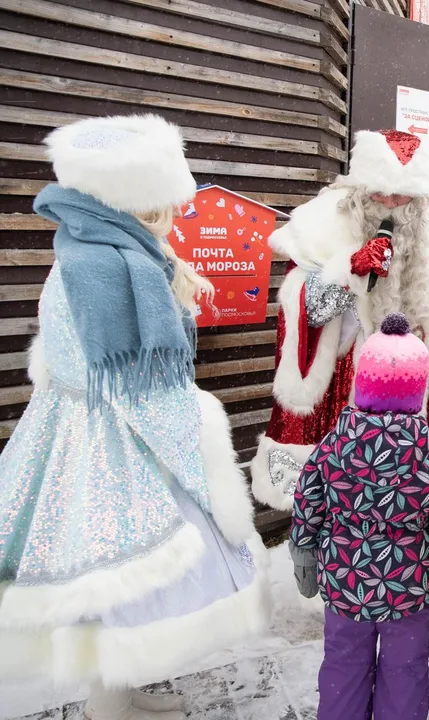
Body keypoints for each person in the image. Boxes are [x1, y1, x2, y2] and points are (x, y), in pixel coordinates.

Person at [0, 115, 271, 719]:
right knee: (113, 583)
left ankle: (127, 688)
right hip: (110, 442)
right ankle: (109, 704)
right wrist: (196, 437)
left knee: (134, 590)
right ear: (130, 203)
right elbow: (122, 379)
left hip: (94, 430)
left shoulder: (96, 248)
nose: (172, 222)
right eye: (160, 209)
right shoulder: (109, 268)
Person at [251, 130, 429, 511]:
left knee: (415, 495)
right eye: (380, 192)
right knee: (343, 495)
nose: (390, 204)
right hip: (348, 394)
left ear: (421, 197)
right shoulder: (321, 226)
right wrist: (349, 272)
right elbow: (303, 312)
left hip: (421, 392)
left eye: (402, 196)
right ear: (361, 186)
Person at [288, 313, 429, 720]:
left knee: (343, 667)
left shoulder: (336, 442)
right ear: (416, 392)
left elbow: (308, 499)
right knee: (405, 671)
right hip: (408, 589)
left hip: (346, 584)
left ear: (362, 384)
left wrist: (304, 551)